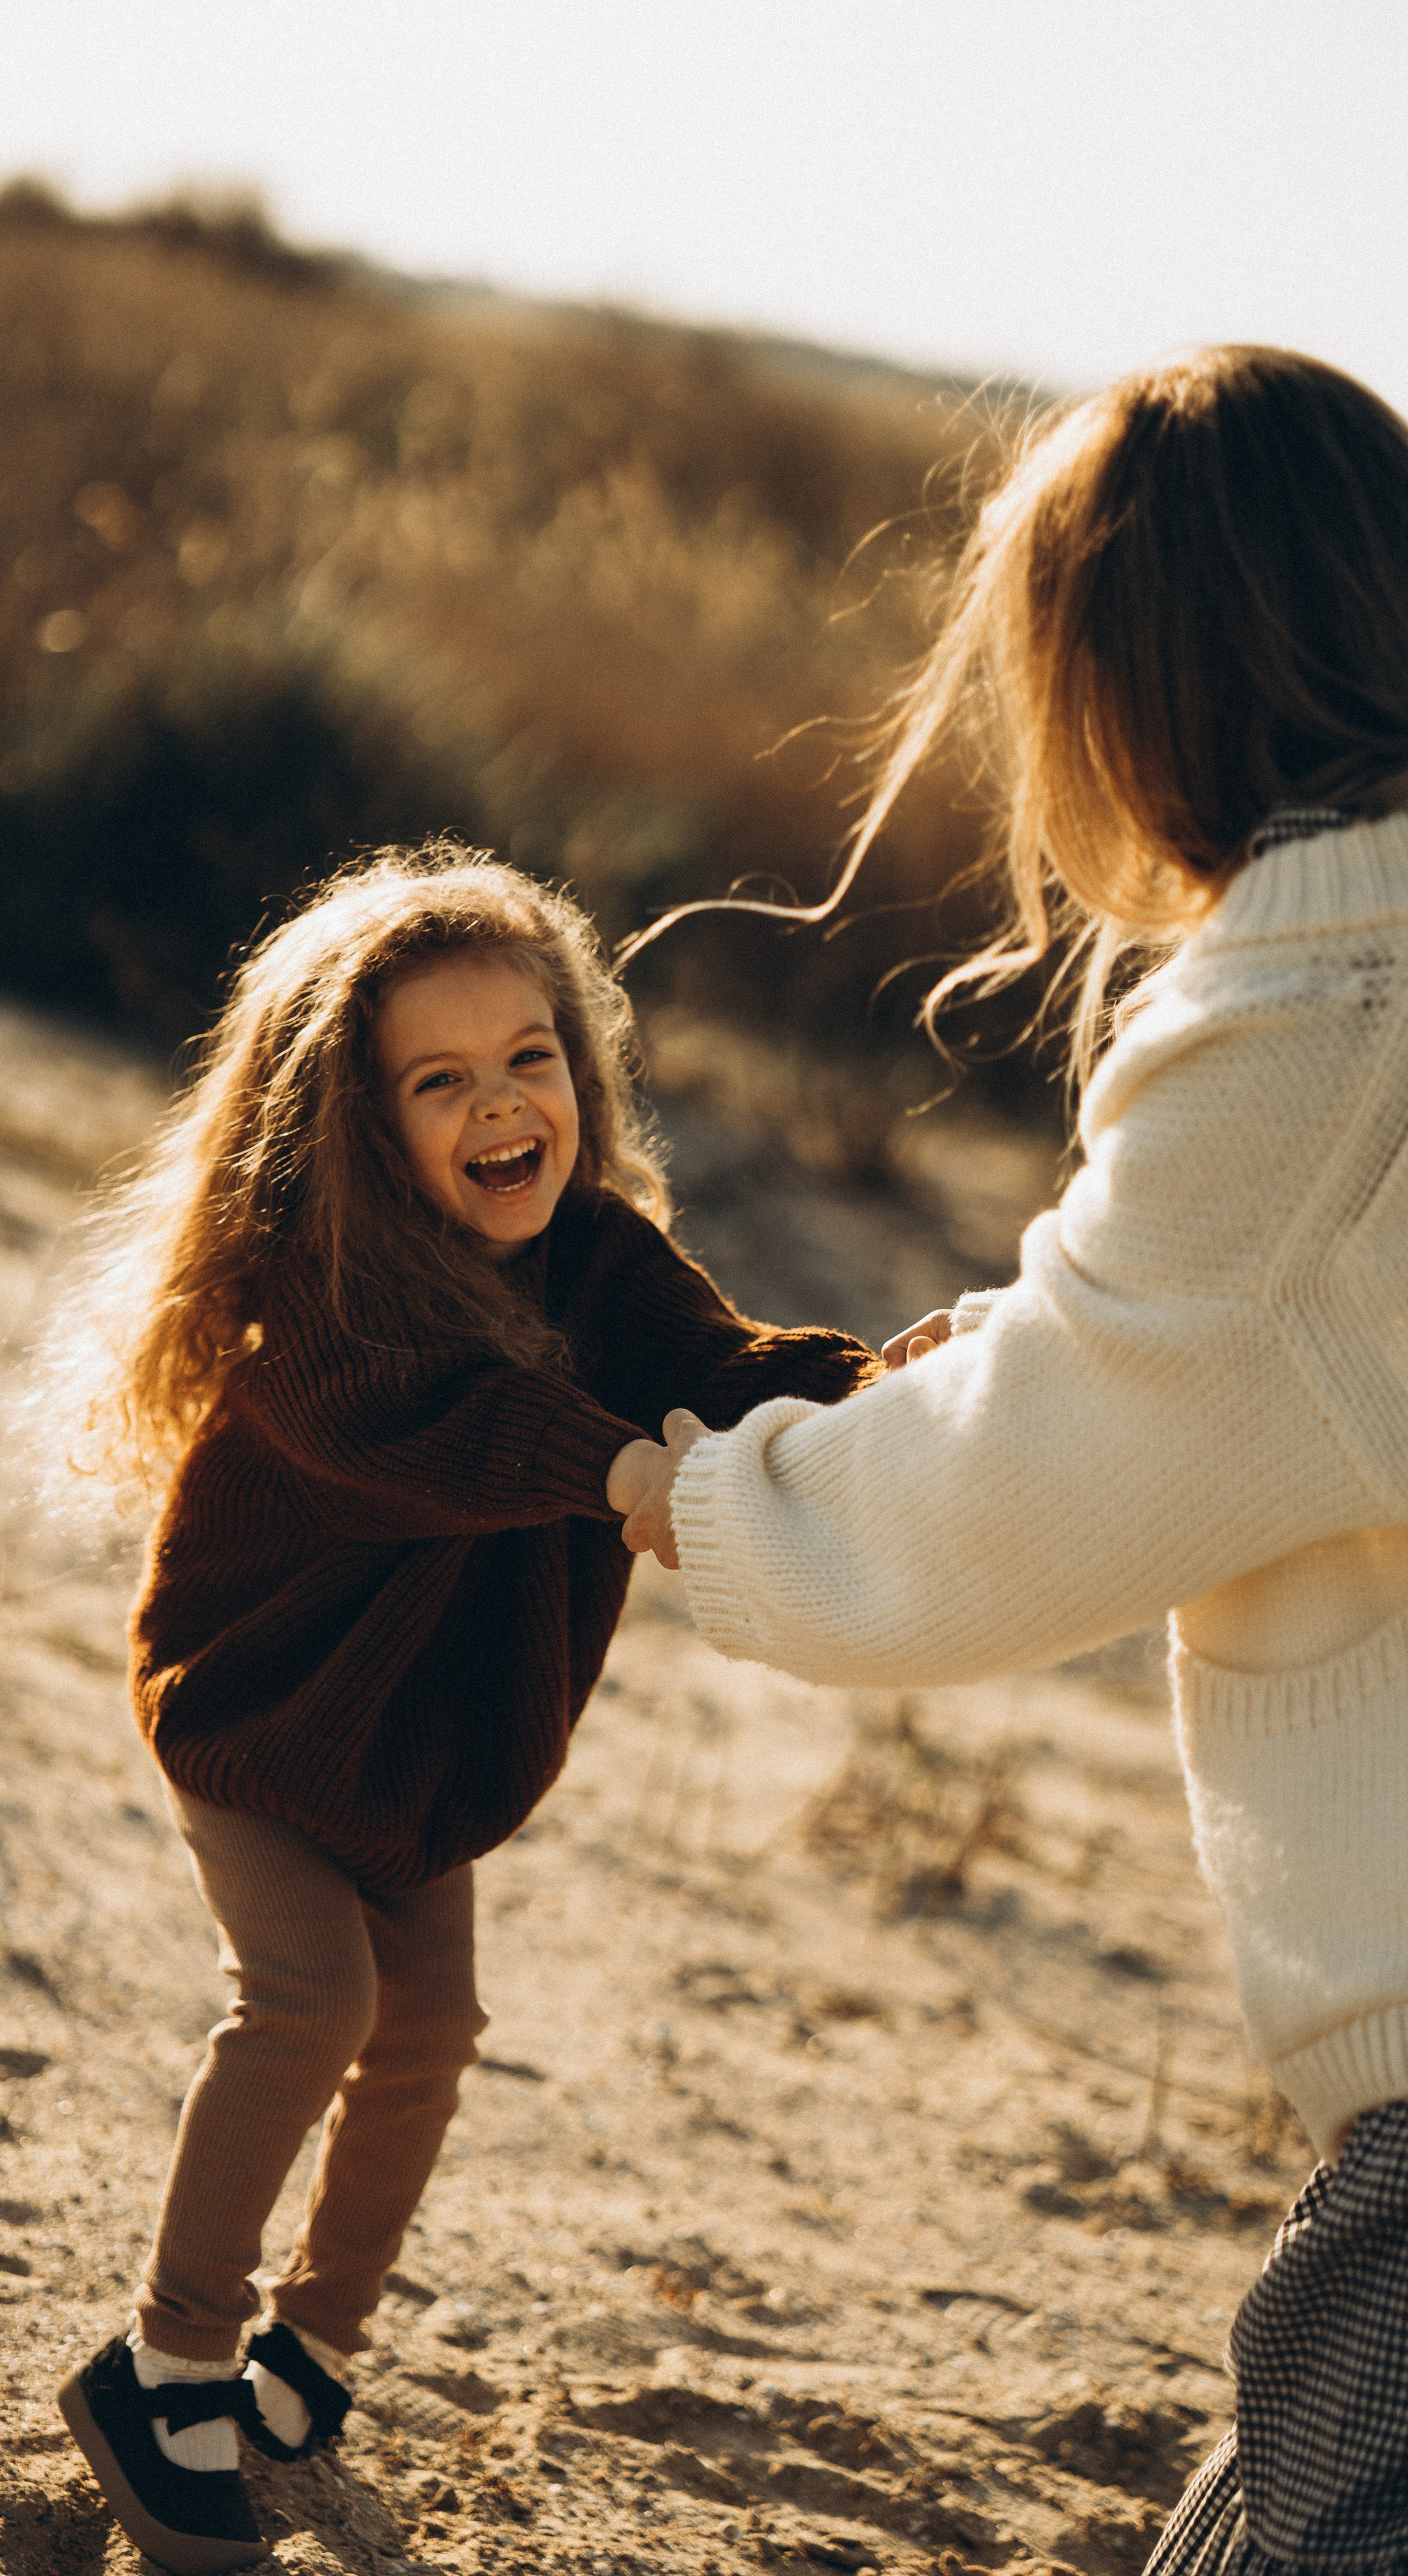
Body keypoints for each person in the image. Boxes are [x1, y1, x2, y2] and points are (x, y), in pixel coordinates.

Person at [618, 345, 1408, 2576]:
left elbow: (992, 1523)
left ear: (1130, 685)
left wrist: (692, 1495)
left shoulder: (1329, 1019)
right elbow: (1262, 1385)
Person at [48, 843, 876, 2573]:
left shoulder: (602, 1257)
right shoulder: (326, 1307)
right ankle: (166, 2360)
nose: (504, 1106)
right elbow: (454, 1432)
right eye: (443, 1081)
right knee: (311, 2001)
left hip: (426, 1746)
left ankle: (309, 2353)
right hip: (263, 1723)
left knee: (430, 2033)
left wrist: (868, 1390)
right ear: (360, 1125)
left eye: (532, 1058)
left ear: (581, 1067)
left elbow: (714, 1366)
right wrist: (625, 1468)